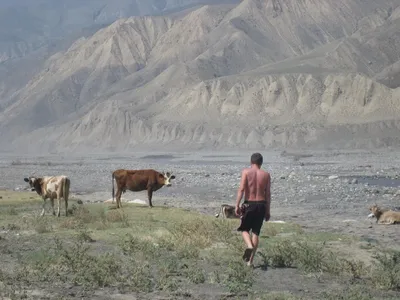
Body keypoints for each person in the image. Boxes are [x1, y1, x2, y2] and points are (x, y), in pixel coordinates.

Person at [235, 152, 271, 267]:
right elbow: (268, 194)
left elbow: (241, 189)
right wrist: (268, 210)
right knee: (256, 232)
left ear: (251, 162)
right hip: (261, 205)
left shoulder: (246, 172)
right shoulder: (266, 174)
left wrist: (237, 205)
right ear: (261, 163)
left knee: (244, 229)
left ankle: (249, 246)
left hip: (249, 204)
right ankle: (250, 262)